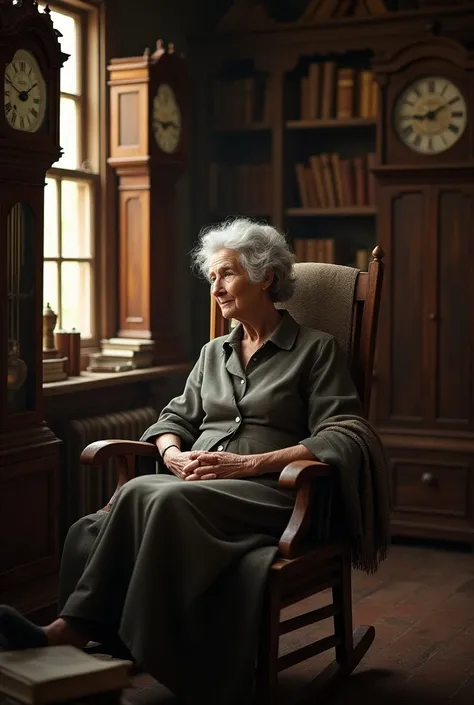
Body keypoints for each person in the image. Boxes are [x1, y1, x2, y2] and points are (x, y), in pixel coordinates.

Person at [0, 218, 389, 705]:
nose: (216, 288)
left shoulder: (316, 350)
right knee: (96, 523)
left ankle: (71, 634)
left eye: (226, 275)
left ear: (265, 277)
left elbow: (344, 433)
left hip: (272, 493)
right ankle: (104, 638)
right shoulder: (213, 353)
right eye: (212, 278)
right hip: (197, 485)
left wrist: (247, 466)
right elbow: (172, 418)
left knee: (143, 494)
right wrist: (172, 453)